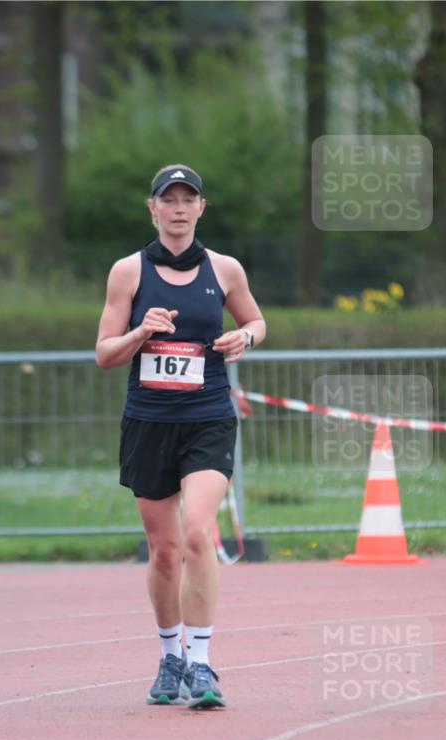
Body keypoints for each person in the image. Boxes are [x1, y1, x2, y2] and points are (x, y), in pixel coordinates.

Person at [95, 164, 266, 709]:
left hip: (208, 416)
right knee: (165, 551)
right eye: (168, 199)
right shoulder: (128, 272)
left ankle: (202, 662)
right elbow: (104, 353)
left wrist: (244, 338)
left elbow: (257, 322)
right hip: (149, 423)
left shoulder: (225, 269)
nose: (178, 208)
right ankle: (170, 656)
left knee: (197, 532)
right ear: (153, 209)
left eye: (187, 199)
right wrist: (141, 332)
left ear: (200, 208)